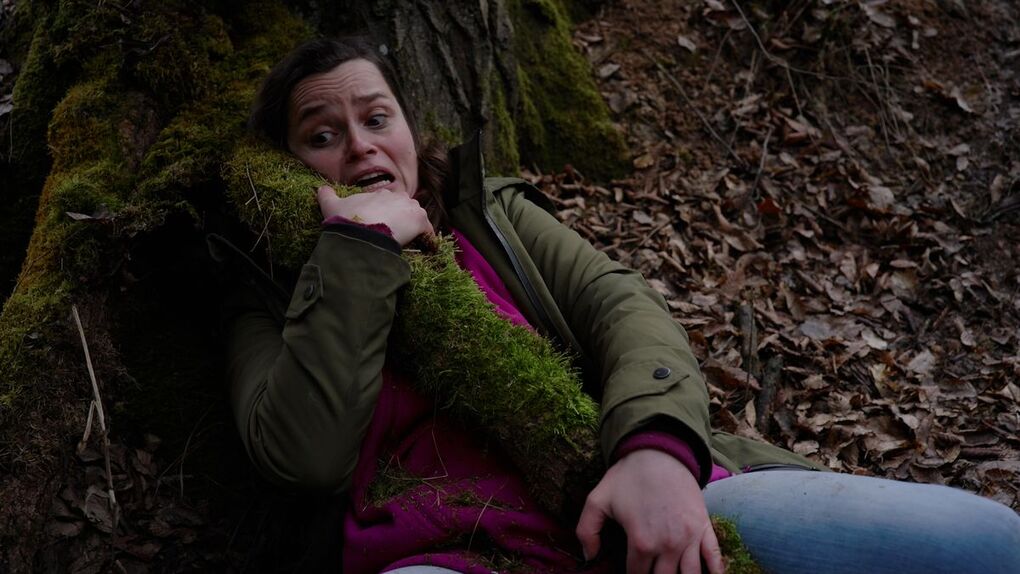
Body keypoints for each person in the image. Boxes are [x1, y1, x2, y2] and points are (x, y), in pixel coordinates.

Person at [218, 37, 1020, 573]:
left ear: (406, 129)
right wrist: (357, 253)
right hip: (444, 553)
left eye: (375, 117)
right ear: (287, 169)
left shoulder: (486, 214)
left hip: (641, 491)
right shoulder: (269, 299)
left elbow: (623, 308)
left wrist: (655, 450)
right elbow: (306, 454)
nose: (360, 145)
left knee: (984, 542)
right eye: (322, 135)